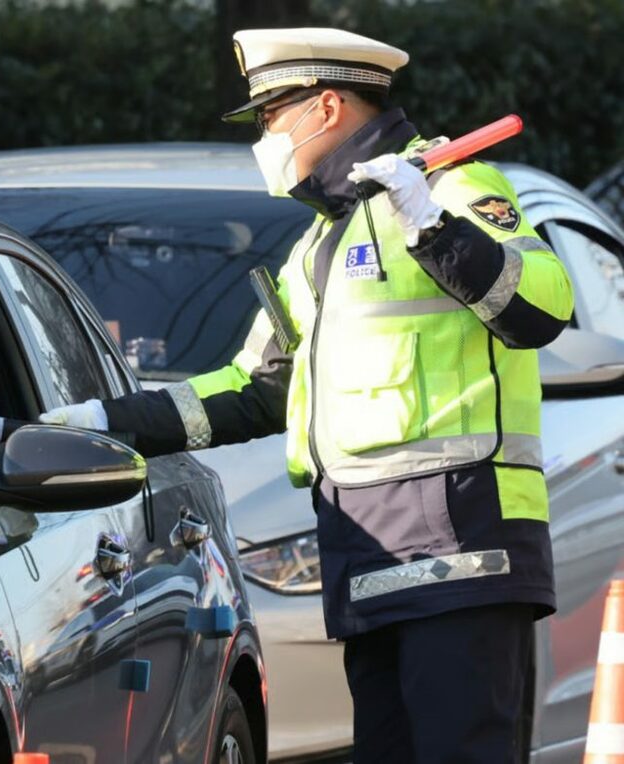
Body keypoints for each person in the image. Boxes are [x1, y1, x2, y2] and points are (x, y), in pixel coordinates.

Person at [42, 28, 574, 763]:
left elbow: (542, 309)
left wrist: (433, 228)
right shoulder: (317, 248)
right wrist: (107, 423)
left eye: (270, 116)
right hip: (369, 566)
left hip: (465, 562)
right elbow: (256, 390)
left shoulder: (453, 187)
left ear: (326, 107)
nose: (264, 138)